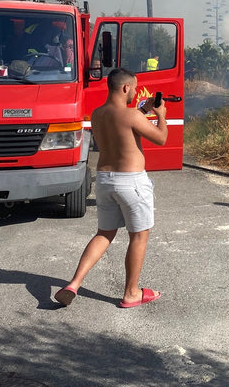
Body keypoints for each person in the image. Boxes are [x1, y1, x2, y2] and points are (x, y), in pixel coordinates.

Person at [54, 67, 168, 308]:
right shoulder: (132, 116)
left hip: (105, 180)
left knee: (104, 233)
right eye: (135, 89)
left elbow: (122, 124)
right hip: (132, 182)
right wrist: (160, 115)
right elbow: (161, 138)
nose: (136, 93)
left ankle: (74, 283)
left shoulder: (97, 114)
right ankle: (131, 293)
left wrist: (143, 110)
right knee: (138, 236)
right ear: (126, 88)